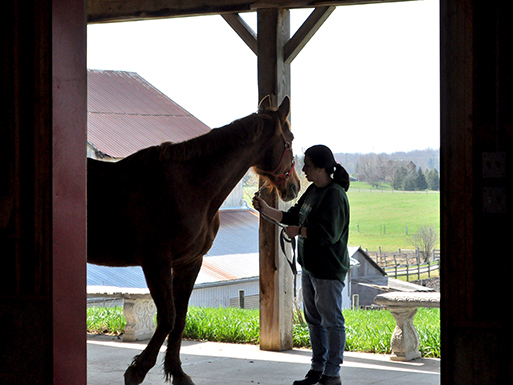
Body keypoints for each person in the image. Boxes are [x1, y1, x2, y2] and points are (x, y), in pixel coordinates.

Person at [253, 145, 350, 385]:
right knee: (314, 320)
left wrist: (300, 231)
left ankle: (332, 372)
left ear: (320, 168)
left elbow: (330, 234)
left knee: (332, 321)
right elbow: (293, 215)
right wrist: (266, 210)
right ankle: (318, 368)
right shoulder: (313, 191)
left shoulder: (335, 195)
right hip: (310, 267)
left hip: (328, 270)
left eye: (307, 165)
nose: (303, 169)